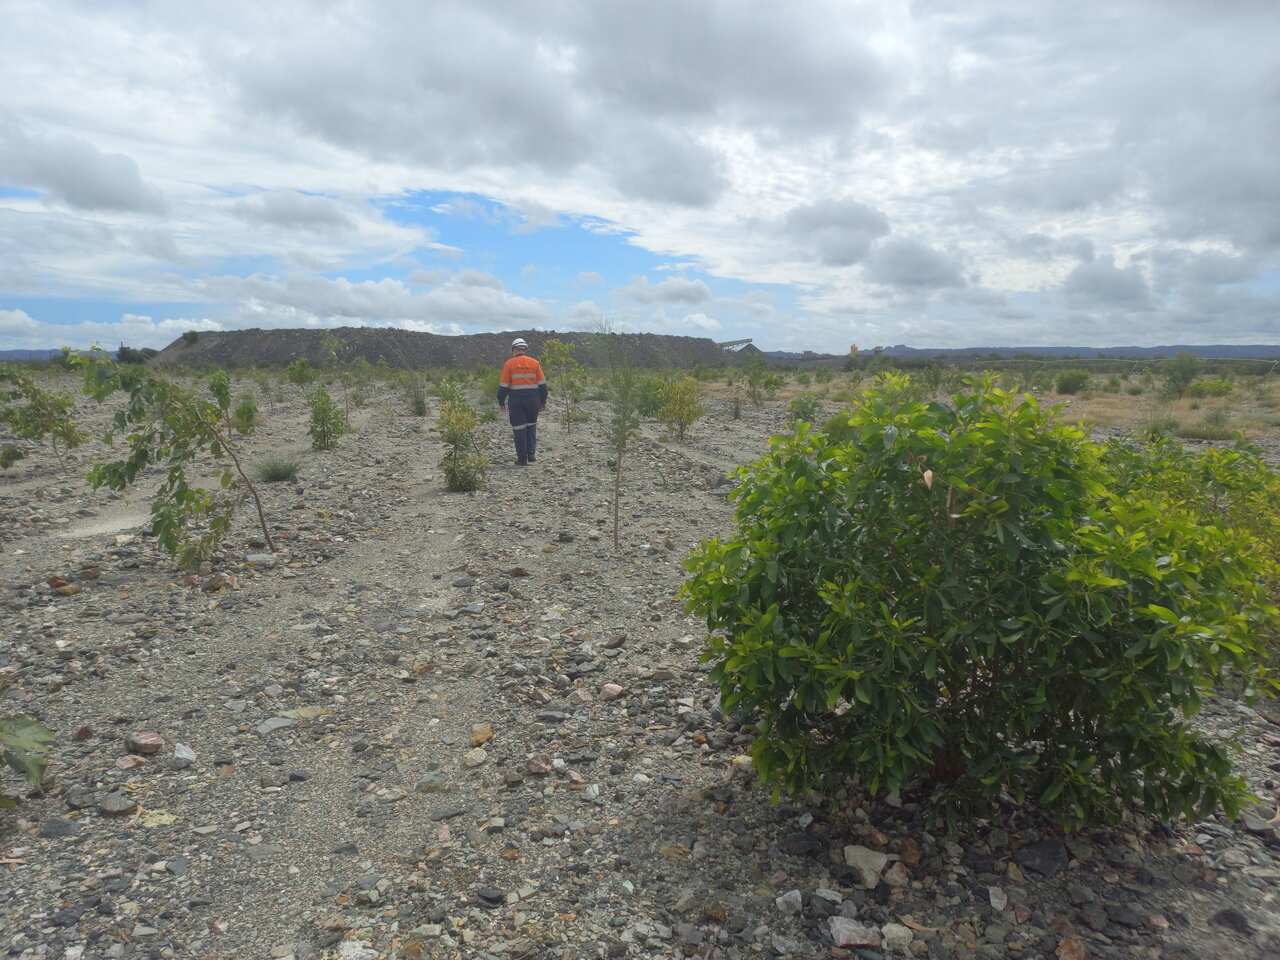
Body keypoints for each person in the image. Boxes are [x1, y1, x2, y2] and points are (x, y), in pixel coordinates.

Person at [497, 337, 548, 465]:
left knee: (519, 429)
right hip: (533, 401)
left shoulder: (509, 364)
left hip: (516, 401)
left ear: (514, 350)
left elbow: (503, 386)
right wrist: (543, 402)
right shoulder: (535, 363)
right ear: (524, 349)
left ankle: (522, 459)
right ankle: (531, 455)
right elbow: (543, 386)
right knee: (531, 426)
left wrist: (501, 402)